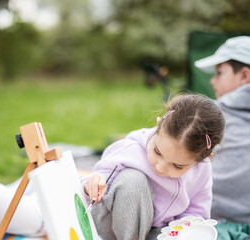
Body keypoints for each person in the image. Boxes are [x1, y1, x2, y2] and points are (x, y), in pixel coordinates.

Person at [83, 94, 226, 240]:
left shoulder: (202, 170)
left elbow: (196, 213)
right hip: (113, 227)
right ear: (158, 126)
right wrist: (93, 185)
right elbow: (90, 189)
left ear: (202, 158)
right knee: (133, 180)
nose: (160, 167)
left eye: (177, 166)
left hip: (156, 232)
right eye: (157, 151)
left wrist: (184, 231)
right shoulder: (130, 149)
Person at [195, 36, 250, 229]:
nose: (212, 80)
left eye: (219, 73)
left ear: (244, 76)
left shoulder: (213, 115)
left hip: (212, 220)